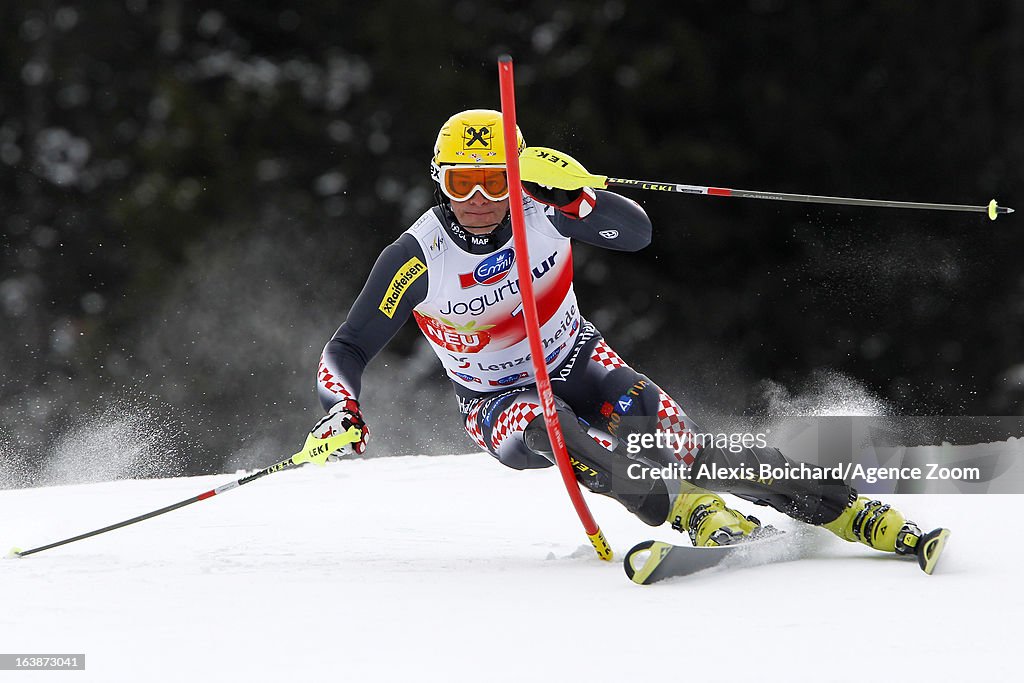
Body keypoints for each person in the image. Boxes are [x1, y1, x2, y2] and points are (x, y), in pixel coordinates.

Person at [312, 108, 944, 567]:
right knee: (554, 427)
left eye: (494, 181)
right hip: (497, 401)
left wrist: (583, 199)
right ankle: (681, 509)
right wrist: (343, 408)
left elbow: (636, 234)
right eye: (459, 183)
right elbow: (348, 346)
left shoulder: (547, 210)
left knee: (692, 447)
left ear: (517, 177)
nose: (478, 199)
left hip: (580, 359)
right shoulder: (417, 258)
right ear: (437, 182)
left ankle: (853, 512)